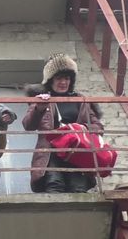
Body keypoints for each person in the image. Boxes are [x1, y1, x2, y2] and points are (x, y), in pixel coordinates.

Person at [23, 53, 103, 193]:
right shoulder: (43, 99)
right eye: (59, 78)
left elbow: (98, 127)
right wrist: (39, 108)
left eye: (67, 78)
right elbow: (28, 125)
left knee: (78, 187)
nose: (63, 82)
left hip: (76, 150)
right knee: (54, 184)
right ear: (50, 80)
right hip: (51, 151)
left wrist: (81, 128)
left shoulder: (80, 100)